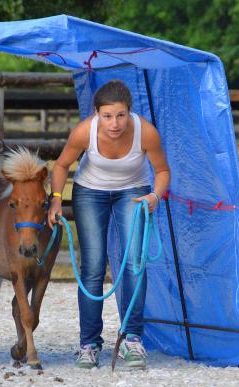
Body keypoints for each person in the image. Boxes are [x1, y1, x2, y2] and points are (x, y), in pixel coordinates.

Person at [48, 80, 170, 370]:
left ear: (129, 112)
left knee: (134, 265)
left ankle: (133, 340)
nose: (114, 123)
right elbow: (61, 165)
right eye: (107, 116)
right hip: (90, 192)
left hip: (133, 191)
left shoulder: (146, 133)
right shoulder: (84, 132)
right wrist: (55, 200)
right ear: (97, 114)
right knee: (93, 267)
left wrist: (155, 196)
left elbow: (163, 171)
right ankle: (89, 344)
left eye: (120, 115)